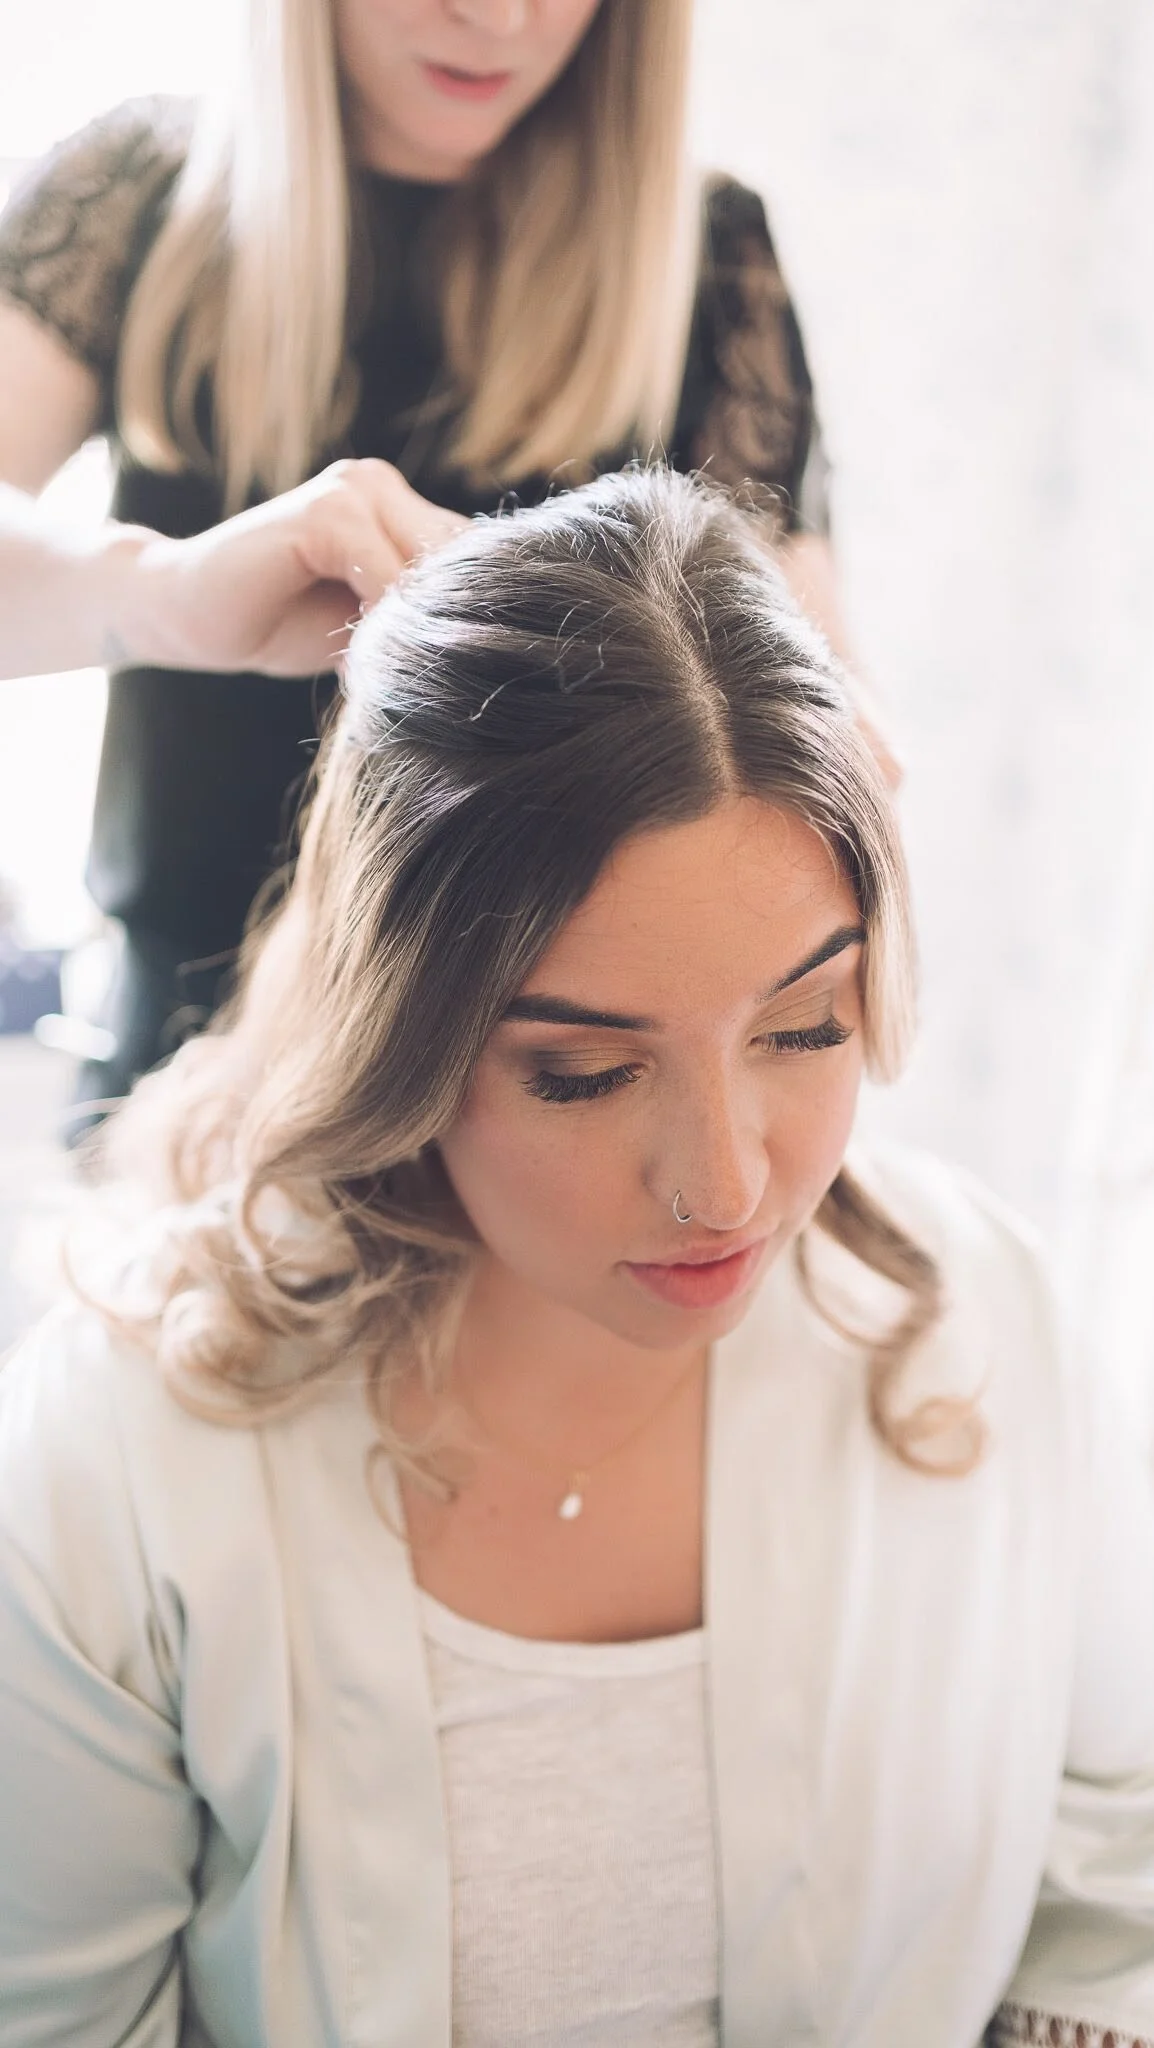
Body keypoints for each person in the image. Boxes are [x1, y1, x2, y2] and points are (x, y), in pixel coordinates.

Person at [1, 467, 1152, 2046]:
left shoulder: (978, 1327)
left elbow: (1106, 1896)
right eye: (584, 1074)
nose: (725, 1185)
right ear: (407, 1039)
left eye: (802, 1026)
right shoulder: (119, 1462)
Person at [0, 0, 847, 1126]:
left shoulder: (706, 258)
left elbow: (813, 742)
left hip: (549, 1117)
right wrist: (169, 595)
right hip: (168, 1079)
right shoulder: (132, 191)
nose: (494, 16)